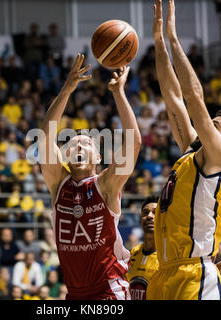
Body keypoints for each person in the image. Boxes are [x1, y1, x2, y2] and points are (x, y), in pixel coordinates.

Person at [146, 0, 221, 300]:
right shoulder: (192, 153)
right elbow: (172, 96)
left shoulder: (219, 158)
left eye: (214, 125)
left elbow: (192, 96)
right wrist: (158, 43)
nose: (205, 125)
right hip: (164, 272)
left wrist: (174, 37)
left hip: (195, 274)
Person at [39, 53, 141, 300]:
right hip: (74, 294)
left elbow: (134, 142)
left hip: (109, 290)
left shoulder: (105, 185)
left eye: (87, 144)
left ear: (97, 158)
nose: (79, 147)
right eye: (73, 145)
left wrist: (118, 93)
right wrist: (67, 89)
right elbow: (44, 138)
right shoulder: (58, 184)